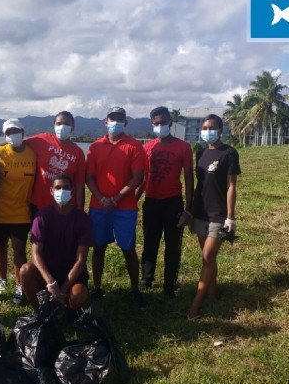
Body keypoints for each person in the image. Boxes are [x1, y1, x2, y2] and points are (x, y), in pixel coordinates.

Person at [85, 106, 148, 307]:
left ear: (126, 122)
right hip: (98, 206)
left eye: (120, 118)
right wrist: (101, 198)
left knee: (128, 248)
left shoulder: (134, 146)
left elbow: (138, 177)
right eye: (112, 118)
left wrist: (117, 198)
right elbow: (89, 177)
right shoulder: (95, 147)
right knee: (98, 247)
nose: (116, 121)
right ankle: (97, 288)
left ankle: (135, 289)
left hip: (125, 208)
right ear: (106, 121)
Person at [187, 114, 241, 320]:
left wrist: (231, 216)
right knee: (209, 258)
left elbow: (231, 186)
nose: (207, 131)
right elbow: (199, 183)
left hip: (218, 216)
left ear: (220, 130)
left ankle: (195, 306)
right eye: (204, 127)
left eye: (211, 127)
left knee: (207, 258)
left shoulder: (229, 153)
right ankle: (212, 293)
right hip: (200, 212)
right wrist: (190, 209)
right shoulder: (200, 152)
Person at [138, 106, 194, 298]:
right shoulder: (147, 147)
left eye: (163, 122)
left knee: (172, 245)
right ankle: (146, 279)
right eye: (156, 123)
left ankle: (170, 285)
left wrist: (188, 208)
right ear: (152, 124)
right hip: (152, 201)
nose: (160, 126)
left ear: (170, 122)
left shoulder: (184, 147)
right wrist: (135, 199)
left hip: (173, 202)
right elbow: (143, 178)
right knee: (150, 242)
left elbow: (188, 178)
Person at [19, 174, 93, 312]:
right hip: (48, 274)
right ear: (51, 191)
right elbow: (36, 252)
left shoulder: (82, 219)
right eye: (58, 188)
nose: (62, 191)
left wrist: (63, 290)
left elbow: (81, 259)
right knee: (25, 270)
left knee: (78, 295)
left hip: (72, 276)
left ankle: (67, 309)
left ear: (72, 190)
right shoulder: (42, 217)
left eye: (66, 188)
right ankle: (40, 311)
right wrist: (50, 282)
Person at [0, 118, 36, 304]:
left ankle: (20, 283)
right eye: (8, 132)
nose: (12, 135)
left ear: (23, 132)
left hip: (21, 211)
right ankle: (2, 280)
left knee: (19, 249)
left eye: (15, 131)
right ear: (4, 135)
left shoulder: (32, 155)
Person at [24, 111, 86, 213]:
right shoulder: (42, 140)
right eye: (59, 123)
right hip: (39, 204)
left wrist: (80, 210)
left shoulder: (78, 153)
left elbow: (79, 185)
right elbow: (18, 143)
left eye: (67, 124)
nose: (62, 126)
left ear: (72, 127)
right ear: (54, 126)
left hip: (65, 207)